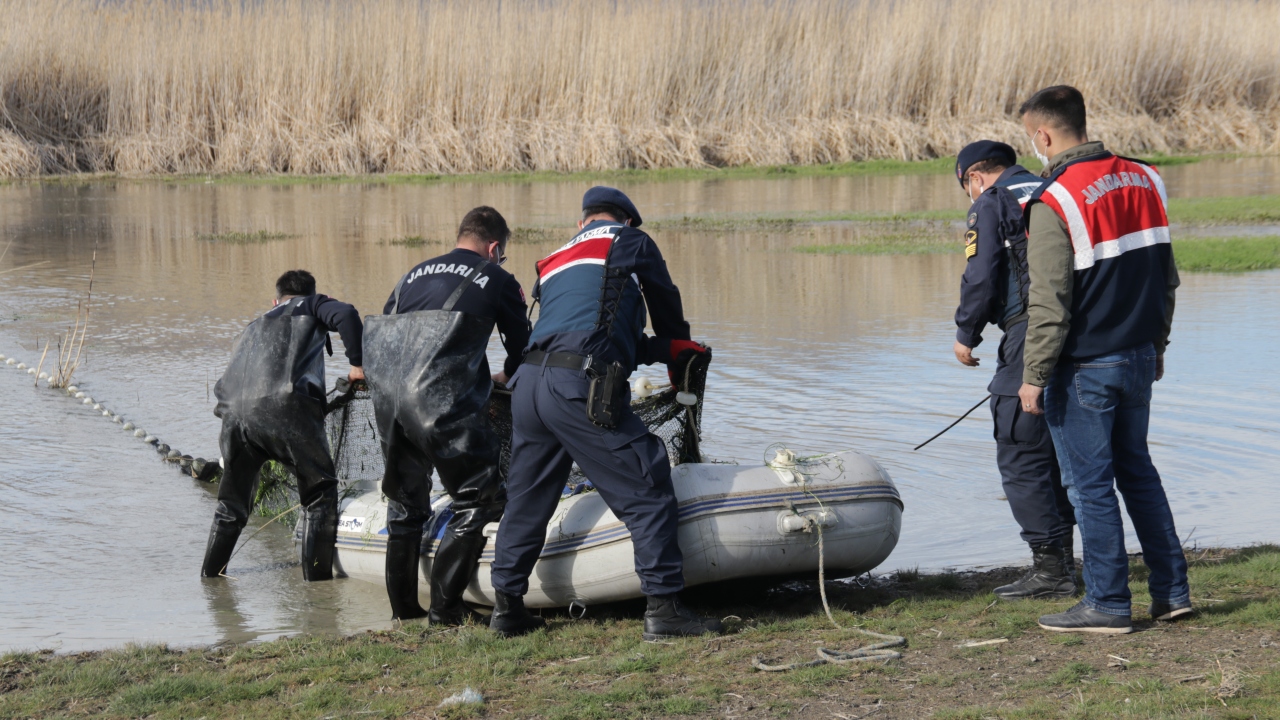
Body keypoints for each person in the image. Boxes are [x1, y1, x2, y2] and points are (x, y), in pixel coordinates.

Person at [487, 187, 722, 640]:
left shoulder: (556, 260)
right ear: (627, 221)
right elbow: (665, 303)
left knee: (528, 498)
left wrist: (660, 350)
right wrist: (679, 354)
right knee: (647, 479)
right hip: (577, 386)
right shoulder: (630, 241)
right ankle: (664, 610)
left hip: (530, 386)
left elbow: (600, 337)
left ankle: (506, 609)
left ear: (582, 224)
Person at [1017, 85, 1191, 634]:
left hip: (1086, 366)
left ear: (1043, 135)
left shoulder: (1054, 199)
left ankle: (1108, 605)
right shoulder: (1146, 177)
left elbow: (1050, 302)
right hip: (1140, 355)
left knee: (1089, 487)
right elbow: (1166, 276)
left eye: (1032, 139)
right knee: (1138, 473)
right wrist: (1157, 348)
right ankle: (1172, 593)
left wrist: (1033, 376)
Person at [363, 206, 530, 625]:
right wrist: (505, 375)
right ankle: (446, 611)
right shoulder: (498, 278)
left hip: (388, 401)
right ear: (494, 248)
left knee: (404, 506)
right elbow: (524, 348)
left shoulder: (410, 275)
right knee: (477, 501)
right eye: (501, 254)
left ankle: (404, 612)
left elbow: (385, 339)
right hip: (441, 403)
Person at [952, 140, 1078, 601]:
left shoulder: (992, 200)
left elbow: (982, 273)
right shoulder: (1054, 188)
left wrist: (966, 333)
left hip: (1029, 331)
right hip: (1078, 333)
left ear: (974, 177)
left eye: (966, 185)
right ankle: (1065, 562)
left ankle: (1051, 570)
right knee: (1058, 444)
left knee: (1020, 447)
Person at [202, 270, 364, 582]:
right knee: (320, 495)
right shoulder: (312, 304)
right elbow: (346, 314)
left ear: (275, 300)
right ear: (315, 294)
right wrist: (357, 366)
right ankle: (317, 589)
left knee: (231, 508)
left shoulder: (254, 325)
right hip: (285, 411)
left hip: (235, 415)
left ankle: (211, 581)